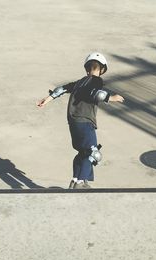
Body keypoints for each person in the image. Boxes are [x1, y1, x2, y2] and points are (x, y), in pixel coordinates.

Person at [37, 52, 125, 189]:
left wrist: (46, 100)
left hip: (73, 122)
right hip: (85, 120)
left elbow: (61, 89)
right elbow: (97, 94)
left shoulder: (79, 83)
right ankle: (80, 182)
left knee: (82, 152)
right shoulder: (97, 81)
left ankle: (75, 180)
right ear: (102, 69)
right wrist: (112, 98)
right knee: (93, 153)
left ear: (86, 68)